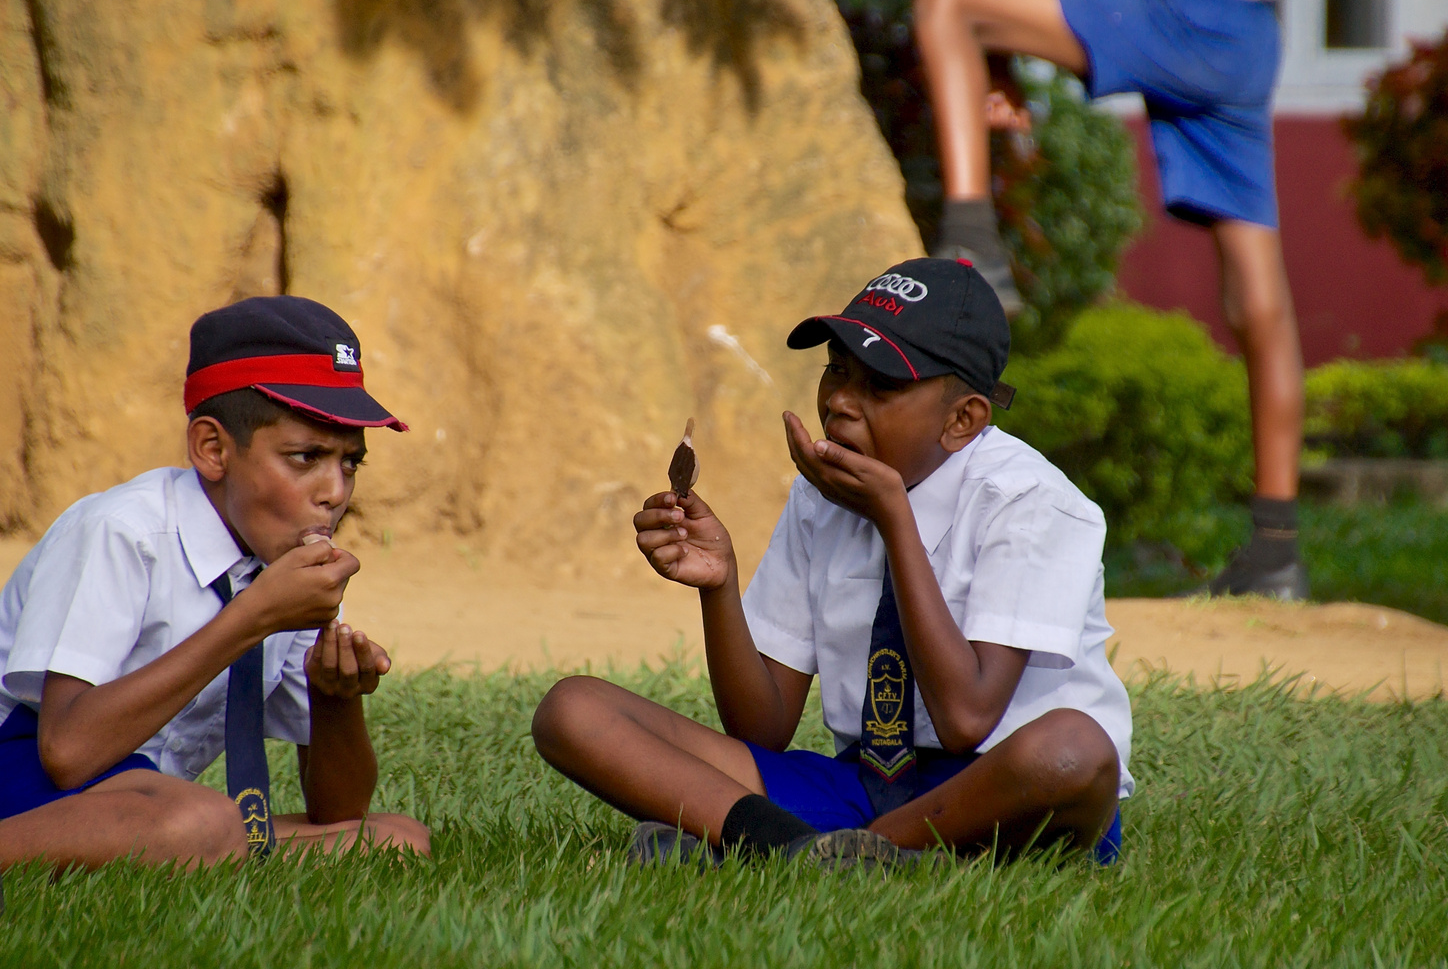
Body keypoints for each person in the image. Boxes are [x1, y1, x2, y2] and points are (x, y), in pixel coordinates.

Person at [533, 258, 1131, 867]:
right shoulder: (820, 497)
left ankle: (813, 850)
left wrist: (894, 518)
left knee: (1072, 750)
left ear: (962, 420)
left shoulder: (1032, 503)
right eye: (837, 371)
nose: (841, 402)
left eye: (881, 386)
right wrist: (720, 584)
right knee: (574, 710)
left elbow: (967, 719)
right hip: (864, 786)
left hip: (1004, 797)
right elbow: (761, 729)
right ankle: (802, 850)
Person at [913, 0, 1308, 598]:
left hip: (1181, 18)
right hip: (1249, 34)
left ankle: (971, 239)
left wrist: (997, 59)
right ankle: (1276, 550)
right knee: (1258, 296)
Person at [0, 296, 431, 871]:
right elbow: (67, 753)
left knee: (398, 838)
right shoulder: (123, 532)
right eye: (306, 457)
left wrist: (335, 698)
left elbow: (339, 808)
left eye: (351, 462)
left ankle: (204, 851)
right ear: (212, 449)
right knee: (203, 820)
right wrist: (252, 618)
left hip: (145, 804)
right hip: (23, 774)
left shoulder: (279, 569)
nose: (334, 491)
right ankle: (203, 845)